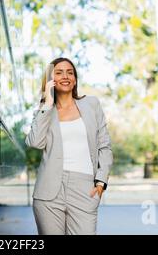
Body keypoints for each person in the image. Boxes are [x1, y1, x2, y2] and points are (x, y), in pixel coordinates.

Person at [25, 57, 113, 235]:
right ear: (50, 80)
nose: (65, 76)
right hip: (48, 192)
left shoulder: (91, 104)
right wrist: (48, 103)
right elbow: (34, 142)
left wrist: (101, 182)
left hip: (84, 188)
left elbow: (104, 146)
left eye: (70, 72)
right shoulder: (44, 111)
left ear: (75, 79)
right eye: (59, 72)